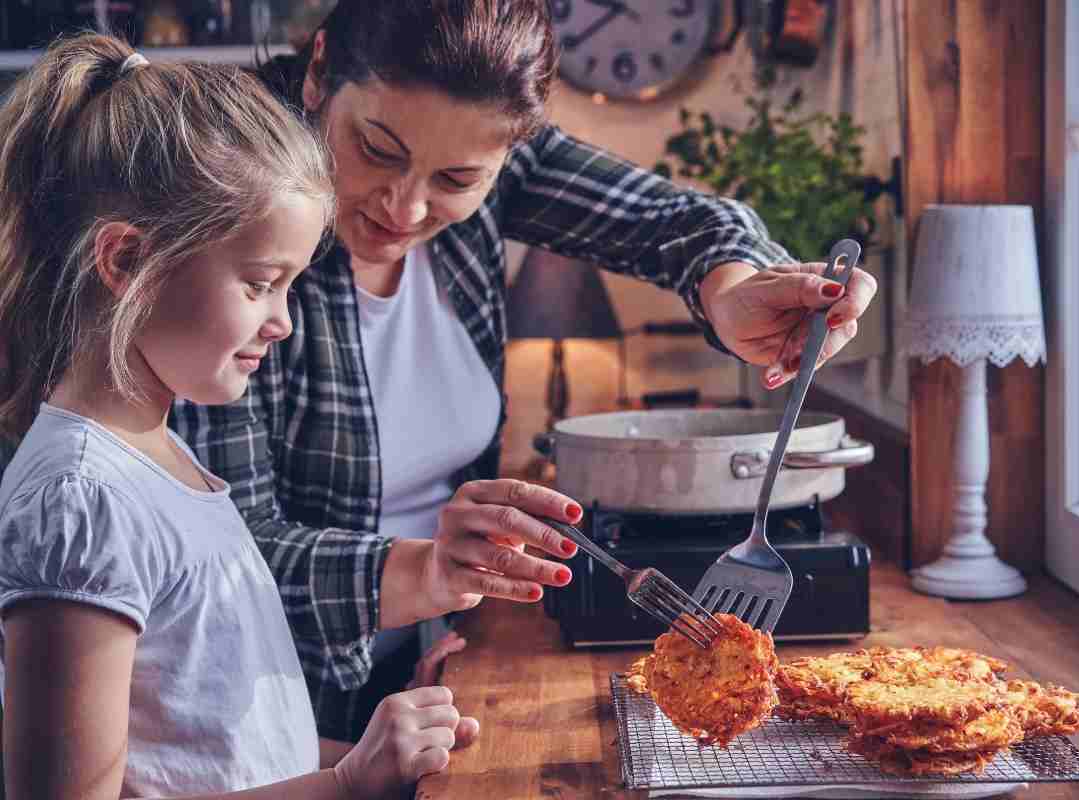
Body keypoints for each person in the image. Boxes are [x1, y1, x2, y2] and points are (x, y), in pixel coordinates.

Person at [171, 0, 879, 746]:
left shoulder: (495, 151)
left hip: (417, 678)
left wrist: (732, 287)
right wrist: (426, 577)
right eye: (376, 149)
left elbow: (679, 224)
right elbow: (221, 552)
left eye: (455, 178)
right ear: (319, 72)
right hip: (270, 720)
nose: (405, 206)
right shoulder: (230, 205)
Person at [0, 32, 526, 798]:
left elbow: (205, 746)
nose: (282, 322)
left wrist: (376, 757)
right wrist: (347, 783)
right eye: (259, 283)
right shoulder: (81, 501)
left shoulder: (164, 460)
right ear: (124, 262)